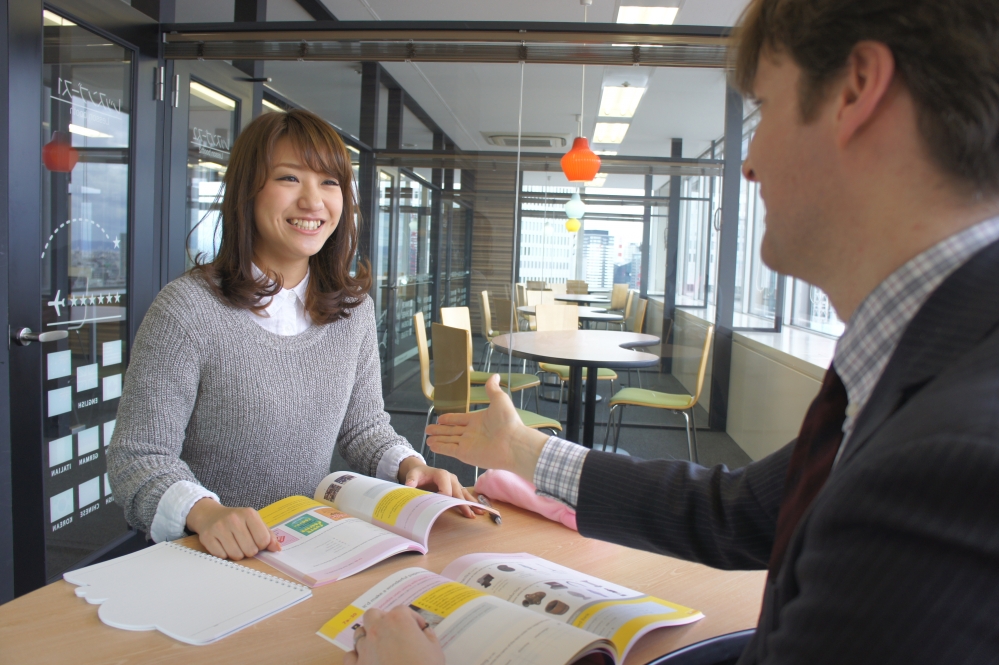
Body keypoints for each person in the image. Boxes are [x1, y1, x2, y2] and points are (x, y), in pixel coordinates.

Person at [353, 0, 999, 662]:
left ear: (855, 92)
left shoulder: (953, 457)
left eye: (763, 110)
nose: (746, 163)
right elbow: (740, 511)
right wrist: (523, 449)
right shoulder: (918, 366)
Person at [107, 109, 477, 561]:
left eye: (329, 182)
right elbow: (138, 457)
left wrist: (411, 466)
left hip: (305, 549)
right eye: (289, 178)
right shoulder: (187, 309)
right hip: (206, 558)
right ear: (247, 190)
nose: (313, 202)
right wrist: (205, 513)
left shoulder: (351, 310)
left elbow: (363, 426)